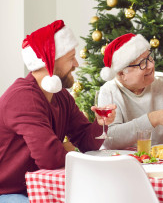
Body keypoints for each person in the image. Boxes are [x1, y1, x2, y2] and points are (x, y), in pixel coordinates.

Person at [0, 20, 116, 202]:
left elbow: (85, 141)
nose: (76, 64)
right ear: (49, 62)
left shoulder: (61, 95)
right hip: (8, 191)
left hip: (38, 186)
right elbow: (50, 159)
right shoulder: (23, 98)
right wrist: (68, 151)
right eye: (71, 58)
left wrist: (99, 124)